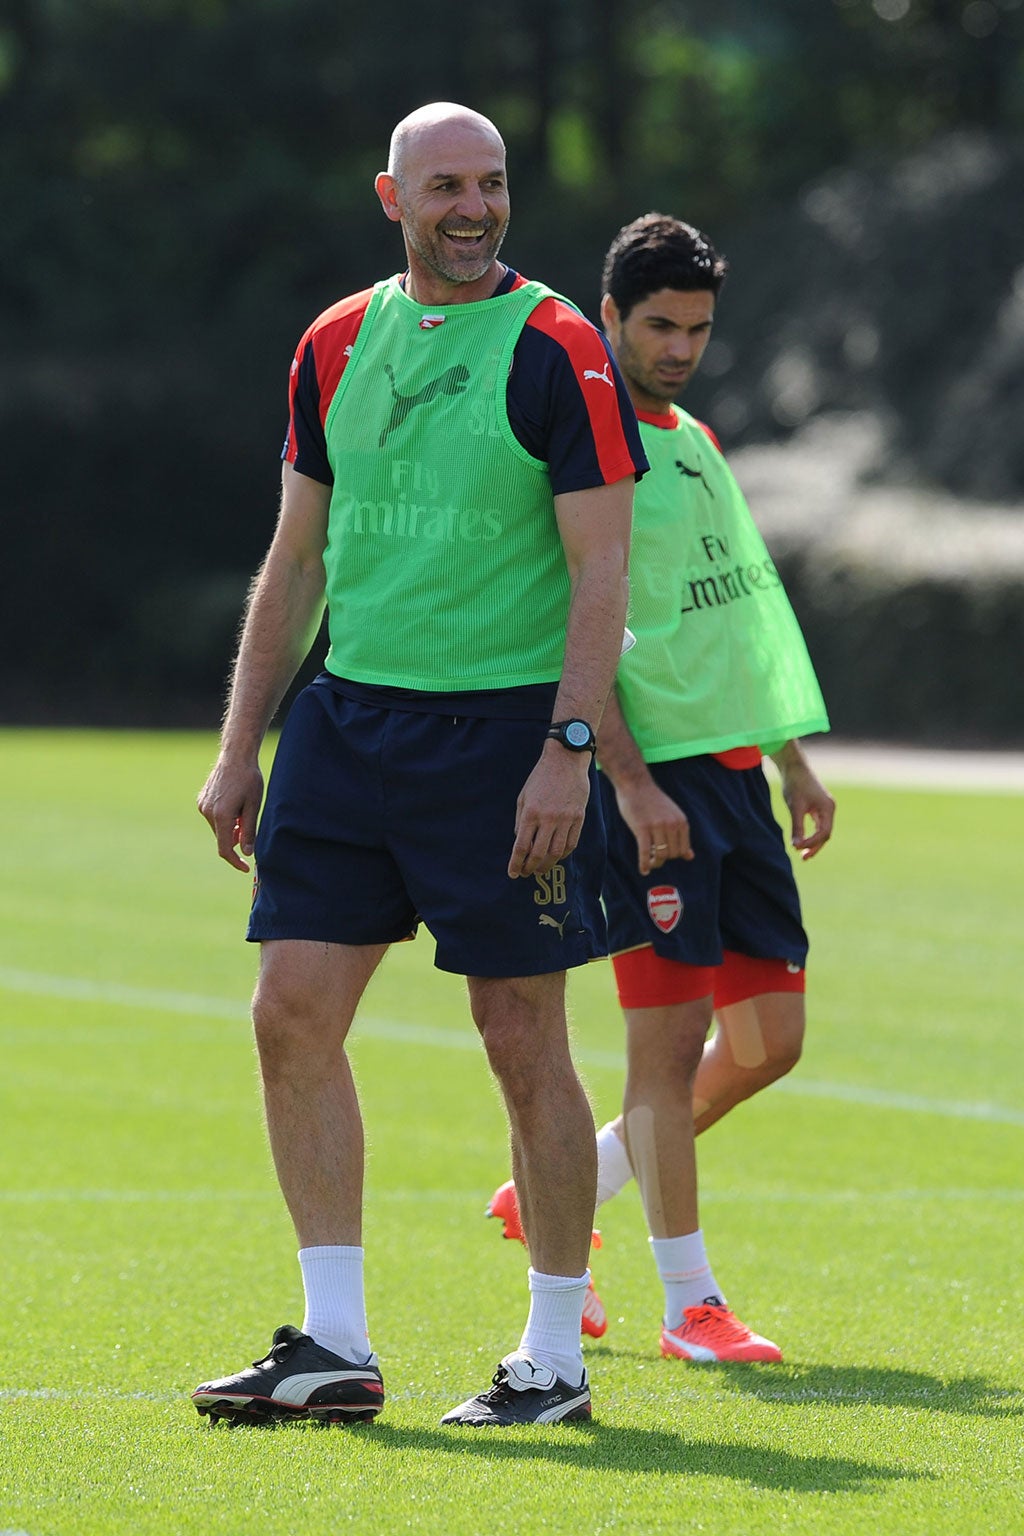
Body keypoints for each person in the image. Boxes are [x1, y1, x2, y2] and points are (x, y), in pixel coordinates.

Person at [192, 103, 646, 1429]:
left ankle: (551, 1358)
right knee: (288, 1017)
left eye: (493, 184)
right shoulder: (335, 341)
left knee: (521, 1038)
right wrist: (240, 748)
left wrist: (569, 753)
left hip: (504, 742)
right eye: (446, 183)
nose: (475, 206)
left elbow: (601, 569)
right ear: (390, 194)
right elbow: (296, 559)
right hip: (346, 729)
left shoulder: (562, 345)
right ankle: (333, 1345)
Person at [488, 213, 835, 1364]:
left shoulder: (694, 437)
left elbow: (732, 610)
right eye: (659, 326)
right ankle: (689, 1303)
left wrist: (789, 757)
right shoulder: (589, 448)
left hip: (736, 776)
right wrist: (627, 785)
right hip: (653, 786)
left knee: (772, 1041)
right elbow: (578, 627)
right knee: (669, 1046)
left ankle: (568, 1183)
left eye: (696, 327)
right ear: (611, 317)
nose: (680, 347)